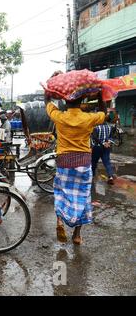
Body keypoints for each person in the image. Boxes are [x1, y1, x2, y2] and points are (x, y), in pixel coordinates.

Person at [46, 93, 107, 246]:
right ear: (82, 101)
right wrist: (100, 95)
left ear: (65, 101)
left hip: (64, 161)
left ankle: (60, 220)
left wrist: (48, 92)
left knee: (61, 193)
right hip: (83, 162)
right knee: (83, 197)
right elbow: (104, 113)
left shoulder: (59, 117)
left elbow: (47, 102)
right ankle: (77, 235)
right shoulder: (88, 118)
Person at [91, 120, 116, 185]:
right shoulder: (109, 127)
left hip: (97, 147)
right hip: (107, 147)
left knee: (94, 162)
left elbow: (94, 137)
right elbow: (112, 137)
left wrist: (102, 143)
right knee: (107, 162)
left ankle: (92, 176)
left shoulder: (96, 127)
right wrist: (108, 142)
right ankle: (110, 177)